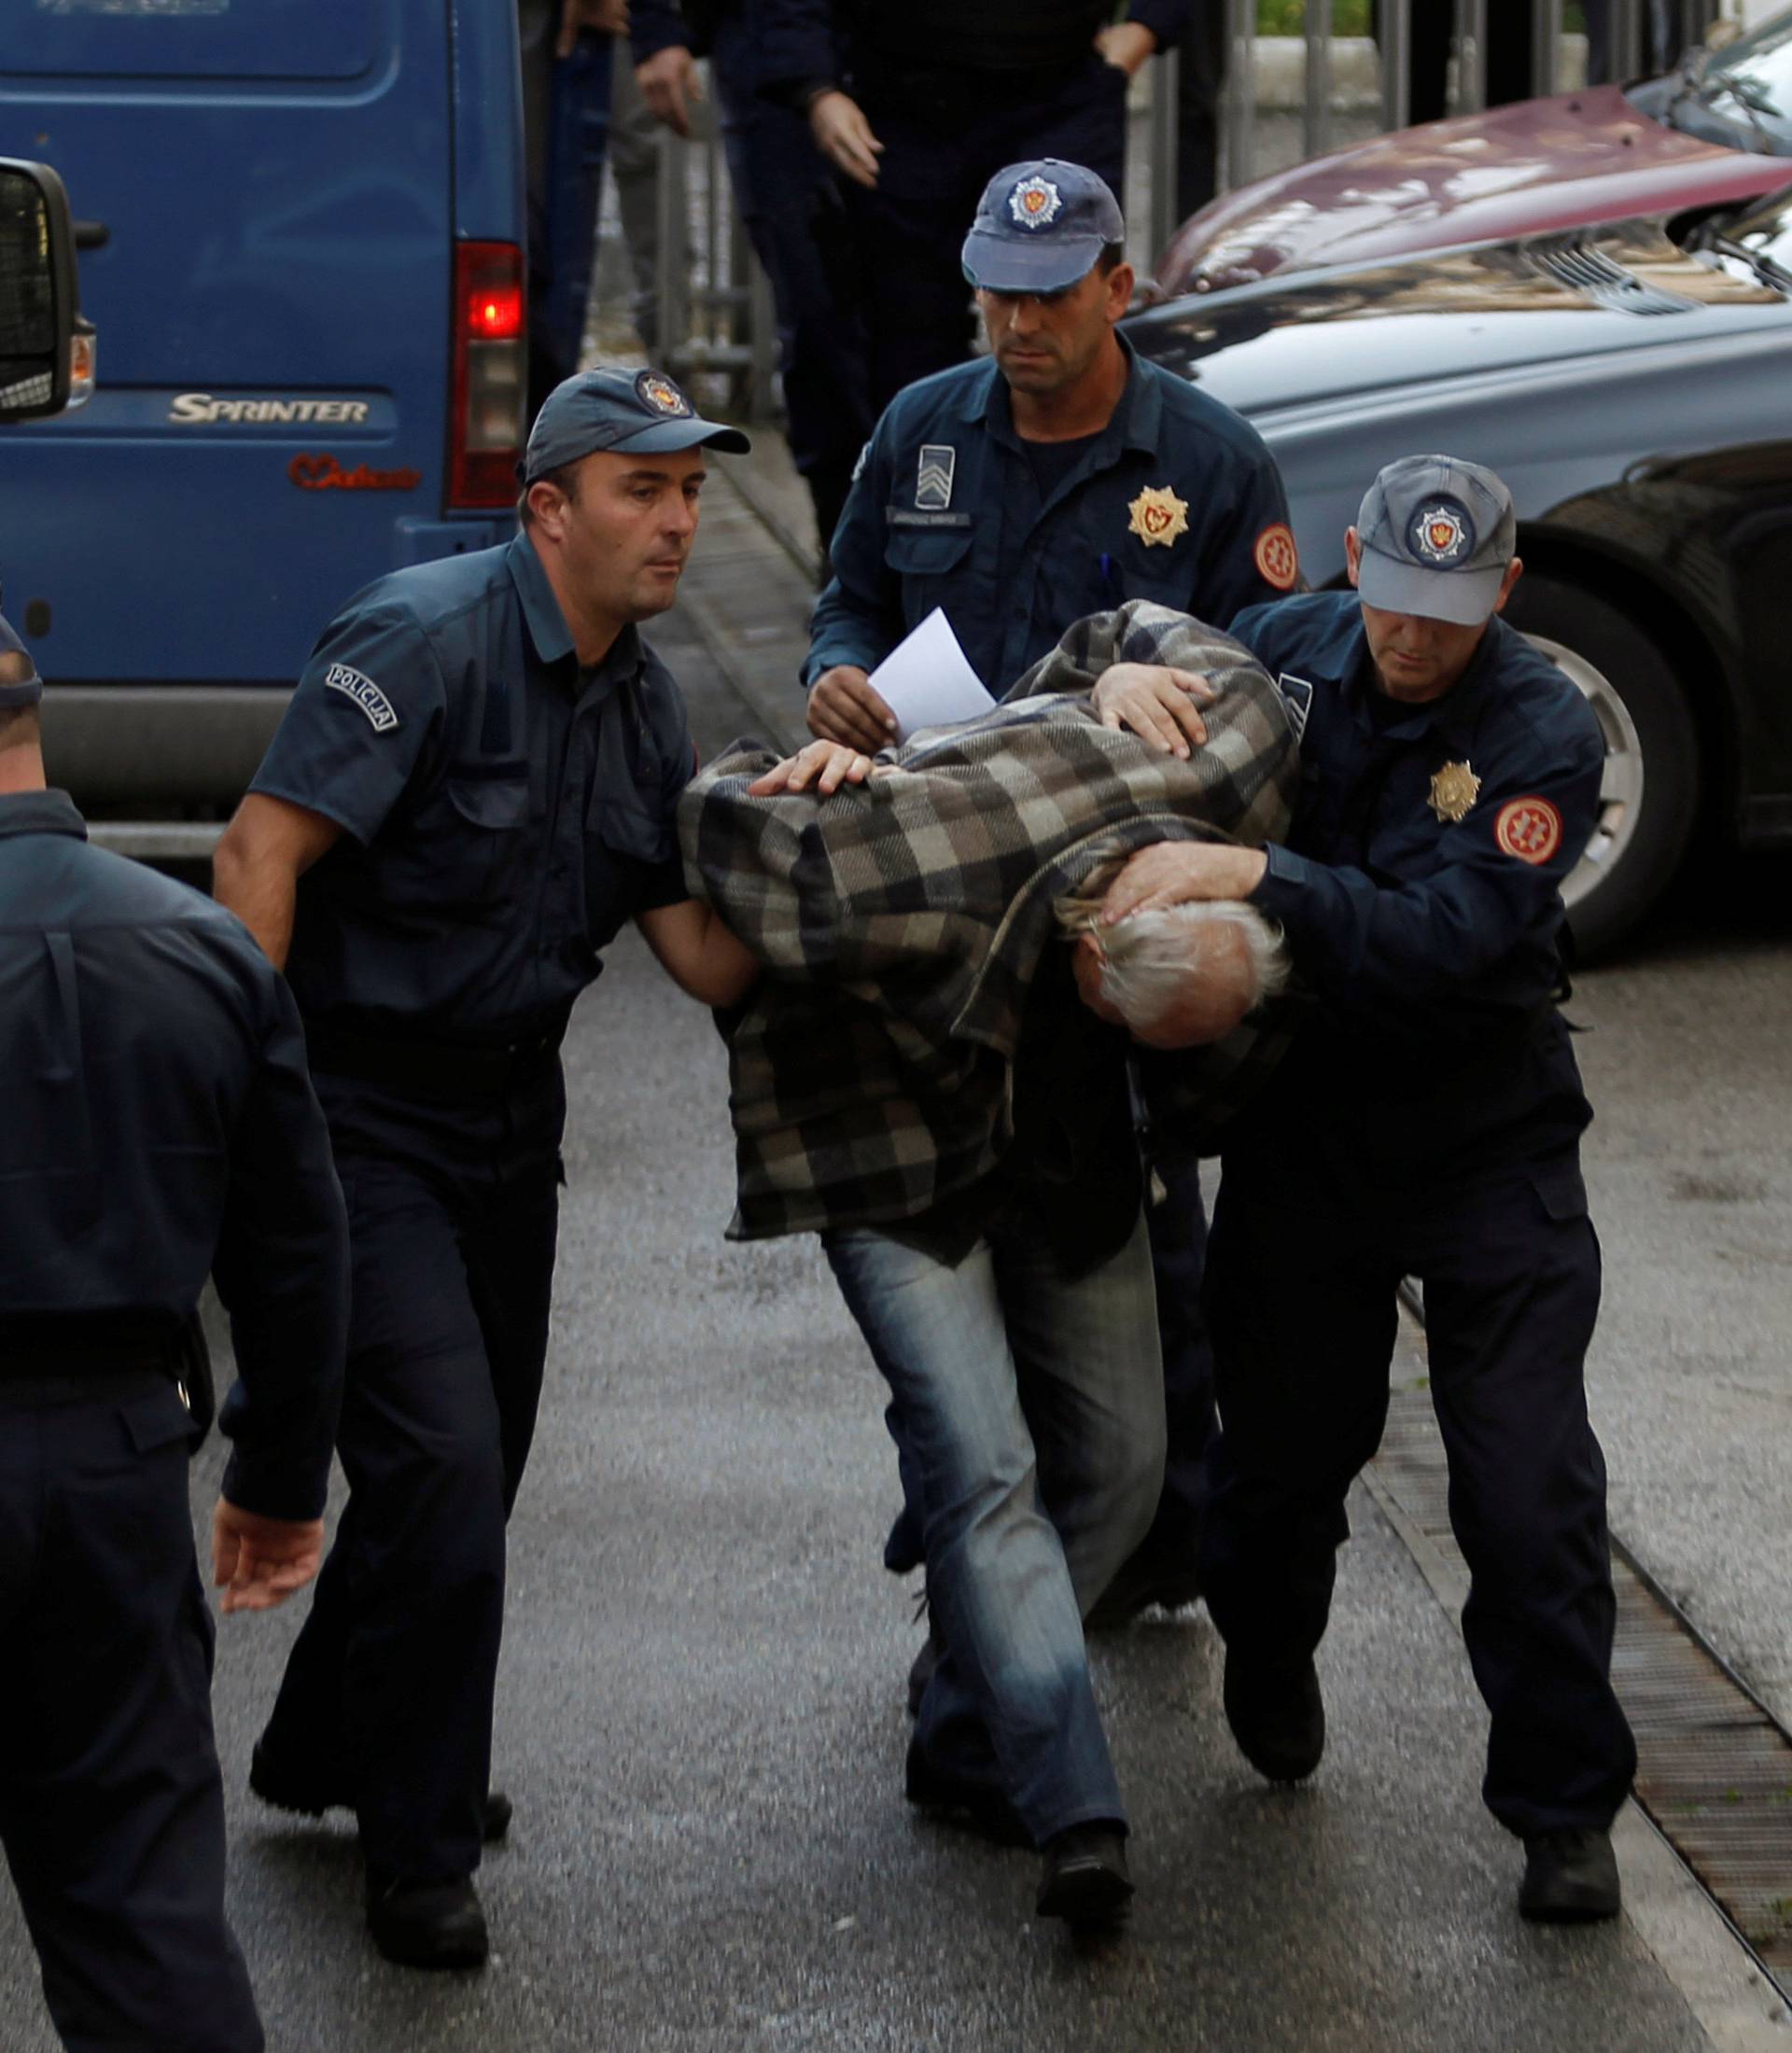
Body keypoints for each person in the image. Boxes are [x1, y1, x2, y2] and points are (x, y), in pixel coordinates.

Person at [210, 366, 760, 1971]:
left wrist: (842, 849)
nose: (677, 521)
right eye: (644, 490)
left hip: (513, 1130)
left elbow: (703, 961)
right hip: (362, 1119)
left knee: (467, 1480)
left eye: (691, 493)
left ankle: (327, 1748)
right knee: (441, 1470)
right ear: (550, 510)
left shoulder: (643, 697)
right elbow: (260, 853)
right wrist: (251, 1119)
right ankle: (421, 1854)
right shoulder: (424, 642)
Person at [680, 598, 1299, 1928]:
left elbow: (1160, 622)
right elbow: (722, 817)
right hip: (884, 1146)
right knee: (984, 1468)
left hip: (1063, 1149)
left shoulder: (1224, 764)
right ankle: (1075, 1805)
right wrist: (785, 767)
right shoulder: (894, 864)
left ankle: (970, 1719)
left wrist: (1111, 665)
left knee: (1131, 1466)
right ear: (1089, 949)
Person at [1092, 455, 1639, 1923]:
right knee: (1275, 1470)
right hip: (1311, 1125)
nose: (1413, 640)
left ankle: (1564, 1811)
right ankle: (1271, 1646)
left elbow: (1447, 937)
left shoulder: (1542, 727)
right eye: (1393, 603)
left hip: (1485, 1131)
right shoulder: (1289, 651)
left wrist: (1257, 875)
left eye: (1450, 615)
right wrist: (1117, 692)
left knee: (1526, 1490)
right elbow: (1135, 656)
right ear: (1349, 566)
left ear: (1505, 593)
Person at [805, 156, 1301, 1628]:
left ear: (1116, 288)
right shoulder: (920, 429)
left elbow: (1262, 682)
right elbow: (852, 600)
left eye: (1045, 299)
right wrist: (831, 676)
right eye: (994, 295)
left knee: (1140, 1226)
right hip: (948, 881)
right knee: (950, 1212)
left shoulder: (1207, 463)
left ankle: (1151, 1528)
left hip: (1110, 902)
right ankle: (974, 1514)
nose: (1015, 326)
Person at [0, 609, 349, 2052]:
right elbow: (299, 1247)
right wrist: (275, 1479)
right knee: (140, 1898)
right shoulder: (202, 951)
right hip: (111, 1467)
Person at [758, 2, 1189, 412]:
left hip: (1059, 88)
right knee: (903, 340)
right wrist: (815, 87)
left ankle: (1078, 482)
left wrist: (1144, 28)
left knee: (1067, 321)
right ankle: (921, 481)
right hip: (900, 99)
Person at [632, 0, 871, 559]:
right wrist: (658, 25)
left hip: (926, 58)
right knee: (819, 331)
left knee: (921, 329)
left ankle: (912, 566)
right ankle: (845, 563)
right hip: (770, 47)